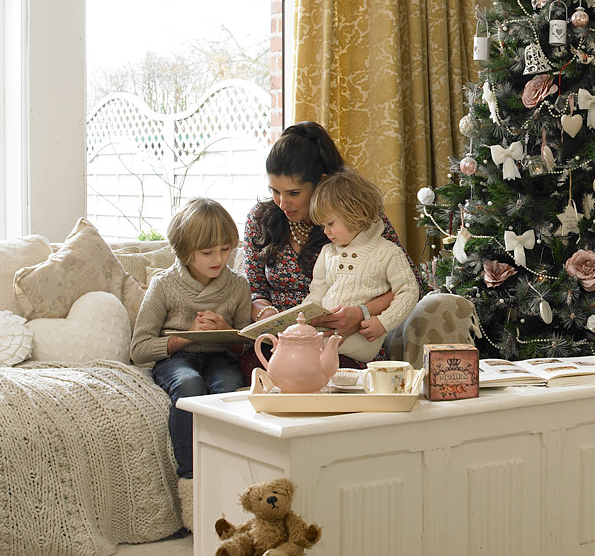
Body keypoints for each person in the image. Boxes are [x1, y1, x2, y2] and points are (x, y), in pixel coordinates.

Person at [243, 121, 418, 370]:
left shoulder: (355, 218)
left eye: (294, 193)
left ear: (321, 182)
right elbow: (255, 290)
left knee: (319, 371)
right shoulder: (260, 219)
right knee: (252, 366)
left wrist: (360, 313)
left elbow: (410, 283)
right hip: (281, 343)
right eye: (275, 191)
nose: (282, 203)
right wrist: (266, 314)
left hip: (346, 343)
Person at [129, 197, 248, 530]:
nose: (219, 259)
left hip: (220, 357)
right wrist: (187, 336)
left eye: (225, 249)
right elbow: (139, 349)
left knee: (228, 388)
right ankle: (191, 484)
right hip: (176, 358)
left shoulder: (238, 285)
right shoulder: (164, 285)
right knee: (189, 385)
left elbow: (243, 344)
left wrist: (226, 331)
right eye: (207, 252)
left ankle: (231, 480)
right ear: (185, 251)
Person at [307, 168, 420, 362]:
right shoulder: (327, 253)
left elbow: (409, 291)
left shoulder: (387, 252)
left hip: (363, 337)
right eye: (323, 226)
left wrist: (383, 323)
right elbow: (316, 294)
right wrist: (301, 321)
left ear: (355, 214)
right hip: (327, 331)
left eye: (330, 224)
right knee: (297, 342)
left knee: (302, 350)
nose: (326, 232)